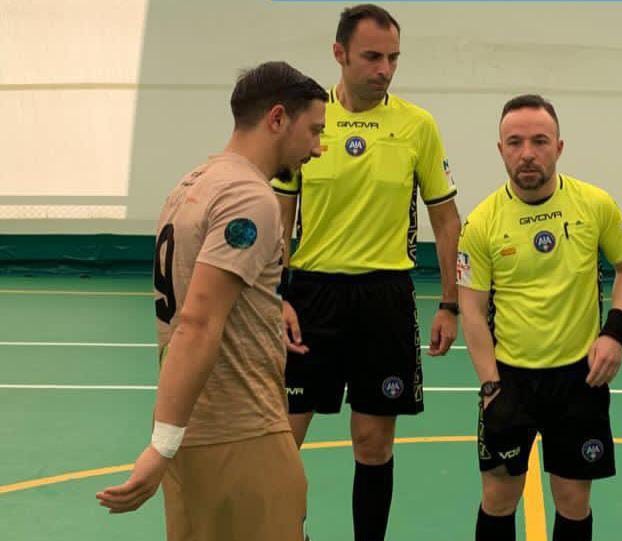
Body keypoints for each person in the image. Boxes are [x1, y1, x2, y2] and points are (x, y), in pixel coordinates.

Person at [95, 61, 327, 541]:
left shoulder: (192, 185)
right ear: (278, 119)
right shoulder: (250, 198)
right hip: (241, 431)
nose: (317, 147)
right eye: (314, 131)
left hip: (193, 430)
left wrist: (167, 438)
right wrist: (161, 446)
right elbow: (198, 321)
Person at [269, 5, 461, 539]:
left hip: (385, 298)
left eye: (393, 58)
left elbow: (445, 218)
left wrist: (449, 303)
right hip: (311, 297)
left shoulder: (417, 126)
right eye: (372, 57)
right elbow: (280, 214)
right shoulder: (309, 120)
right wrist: (276, 295)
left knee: (373, 444)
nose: (385, 69)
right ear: (339, 53)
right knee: (283, 441)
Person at [458, 94, 622, 541]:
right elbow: (472, 310)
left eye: (539, 141)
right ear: (500, 149)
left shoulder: (594, 205)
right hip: (510, 381)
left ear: (559, 147)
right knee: (498, 498)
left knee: (574, 502)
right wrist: (491, 387)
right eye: (515, 142)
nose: (527, 153)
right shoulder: (481, 222)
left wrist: (614, 334)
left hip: (579, 380)